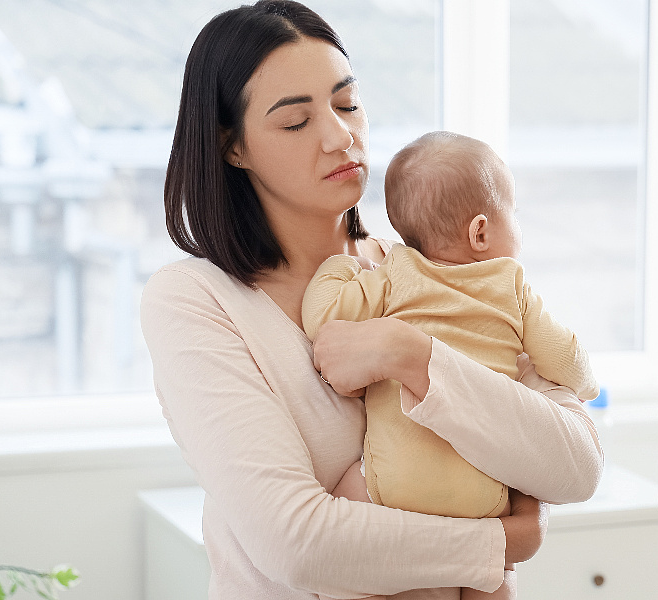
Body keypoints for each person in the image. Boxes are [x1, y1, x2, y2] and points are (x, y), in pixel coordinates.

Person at [139, 2, 603, 599]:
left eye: (347, 103)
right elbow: (297, 543)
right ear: (234, 146)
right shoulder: (197, 302)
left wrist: (410, 354)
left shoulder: (431, 268)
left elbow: (576, 466)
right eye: (295, 122)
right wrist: (505, 543)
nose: (340, 137)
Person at [301, 131, 601, 600]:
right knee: (495, 578)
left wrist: (338, 269)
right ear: (480, 231)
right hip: (482, 500)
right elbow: (562, 357)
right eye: (514, 214)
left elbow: (323, 319)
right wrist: (586, 381)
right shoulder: (511, 284)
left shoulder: (392, 276)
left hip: (392, 486)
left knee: (347, 513)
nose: (518, 229)